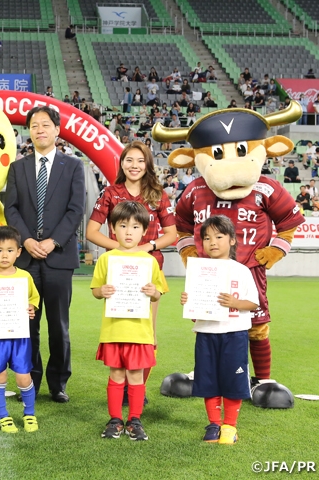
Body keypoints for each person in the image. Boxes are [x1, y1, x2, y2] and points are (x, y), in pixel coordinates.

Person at [4, 105, 86, 402]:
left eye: (45, 125)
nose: (39, 130)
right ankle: (31, 383)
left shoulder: (74, 166)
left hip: (58, 257)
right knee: (28, 324)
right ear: (29, 131)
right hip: (25, 259)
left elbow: (76, 209)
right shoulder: (18, 167)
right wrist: (25, 240)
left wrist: (53, 241)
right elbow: (10, 208)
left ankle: (58, 383)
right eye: (34, 125)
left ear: (57, 130)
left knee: (59, 325)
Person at [86, 141, 177, 396]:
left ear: (147, 164)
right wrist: (120, 248)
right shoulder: (110, 193)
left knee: (148, 332)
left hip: (148, 271)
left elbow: (172, 234)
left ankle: (137, 389)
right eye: (129, 160)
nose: (134, 165)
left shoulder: (157, 193)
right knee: (119, 330)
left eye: (140, 160)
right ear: (122, 163)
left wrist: (145, 248)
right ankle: (120, 385)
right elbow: (91, 232)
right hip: (117, 273)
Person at [181, 215, 258, 444]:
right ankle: (214, 424)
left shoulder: (241, 271)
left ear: (232, 240)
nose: (212, 242)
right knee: (208, 379)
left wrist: (234, 303)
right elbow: (195, 312)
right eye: (206, 238)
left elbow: (253, 303)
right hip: (206, 334)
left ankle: (230, 426)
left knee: (233, 381)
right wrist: (189, 300)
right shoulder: (198, 271)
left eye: (219, 236)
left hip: (234, 334)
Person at [91, 201, 164, 441]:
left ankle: (134, 420)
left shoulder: (149, 261)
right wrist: (102, 291)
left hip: (139, 332)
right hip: (113, 330)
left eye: (135, 226)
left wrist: (153, 291)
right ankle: (115, 420)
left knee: (135, 376)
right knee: (116, 375)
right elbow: (95, 290)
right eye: (123, 225)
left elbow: (157, 293)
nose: (129, 231)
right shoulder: (107, 259)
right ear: (113, 228)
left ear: (144, 231)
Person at [0, 226, 41, 433]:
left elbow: (33, 300)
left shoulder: (25, 278)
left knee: (23, 376)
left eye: (10, 250)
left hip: (20, 336)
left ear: (19, 252)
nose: (5, 255)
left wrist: (31, 308)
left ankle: (29, 414)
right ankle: (2, 416)